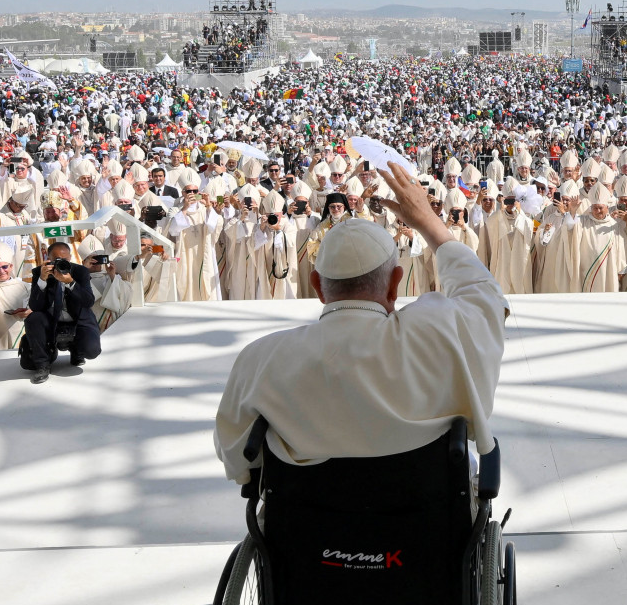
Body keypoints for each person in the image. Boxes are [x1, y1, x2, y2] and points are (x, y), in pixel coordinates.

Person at [213, 163, 508, 482]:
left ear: (317, 286)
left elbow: (236, 460)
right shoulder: (441, 333)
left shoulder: (260, 361)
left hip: (300, 528)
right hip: (433, 526)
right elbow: (484, 295)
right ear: (396, 284)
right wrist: (426, 220)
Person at [20, 239, 101, 380]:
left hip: (78, 319)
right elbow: (35, 306)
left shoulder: (80, 271)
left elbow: (88, 301)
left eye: (65, 259)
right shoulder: (40, 272)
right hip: (52, 320)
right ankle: (42, 364)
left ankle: (76, 350)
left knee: (92, 351)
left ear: (70, 258)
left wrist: (70, 282)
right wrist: (42, 280)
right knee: (33, 318)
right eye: (57, 259)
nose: (61, 263)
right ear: (48, 259)